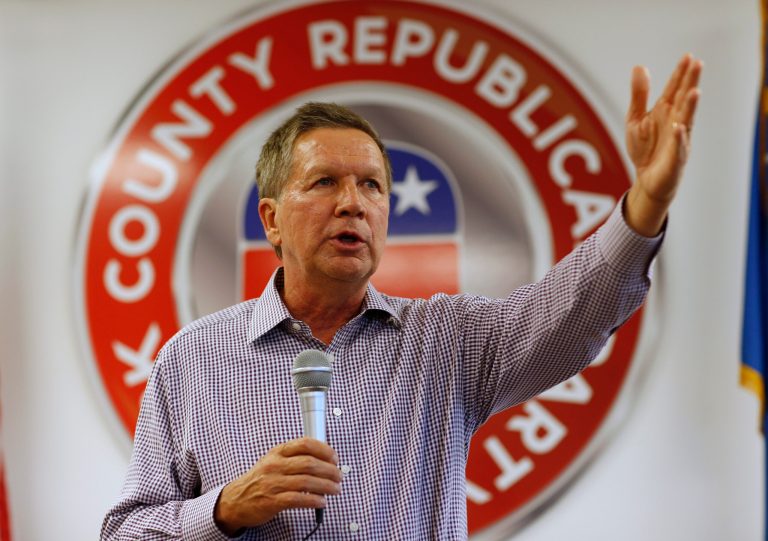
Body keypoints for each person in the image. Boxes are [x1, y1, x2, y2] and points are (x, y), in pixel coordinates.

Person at [101, 54, 702, 540]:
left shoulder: (447, 340)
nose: (353, 204)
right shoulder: (192, 359)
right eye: (324, 182)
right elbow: (125, 533)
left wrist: (646, 204)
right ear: (272, 219)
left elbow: (573, 310)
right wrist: (225, 509)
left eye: (372, 186)